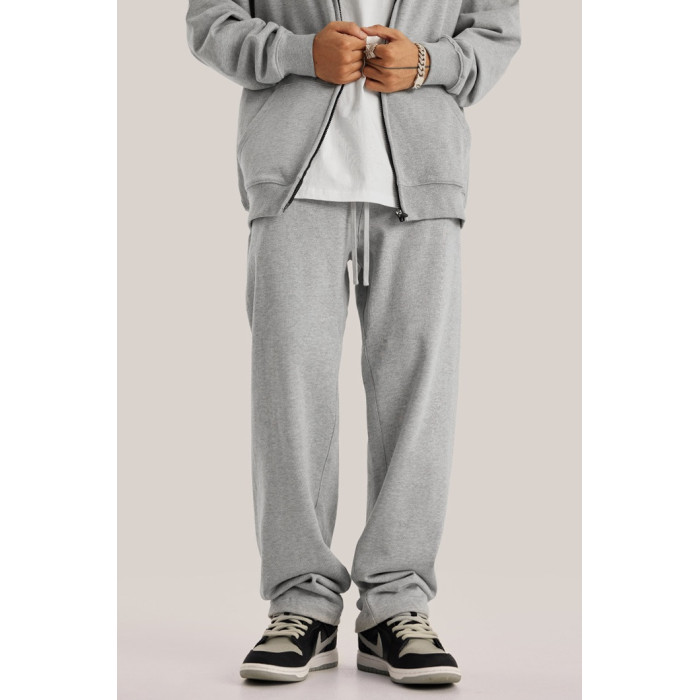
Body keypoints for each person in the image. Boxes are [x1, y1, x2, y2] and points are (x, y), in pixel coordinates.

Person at [186, 0, 520, 686]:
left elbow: (496, 31)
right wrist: (298, 52)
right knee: (289, 398)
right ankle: (300, 603)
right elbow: (210, 21)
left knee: (419, 402)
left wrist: (427, 62)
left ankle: (395, 604)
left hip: (423, 182)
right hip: (292, 183)